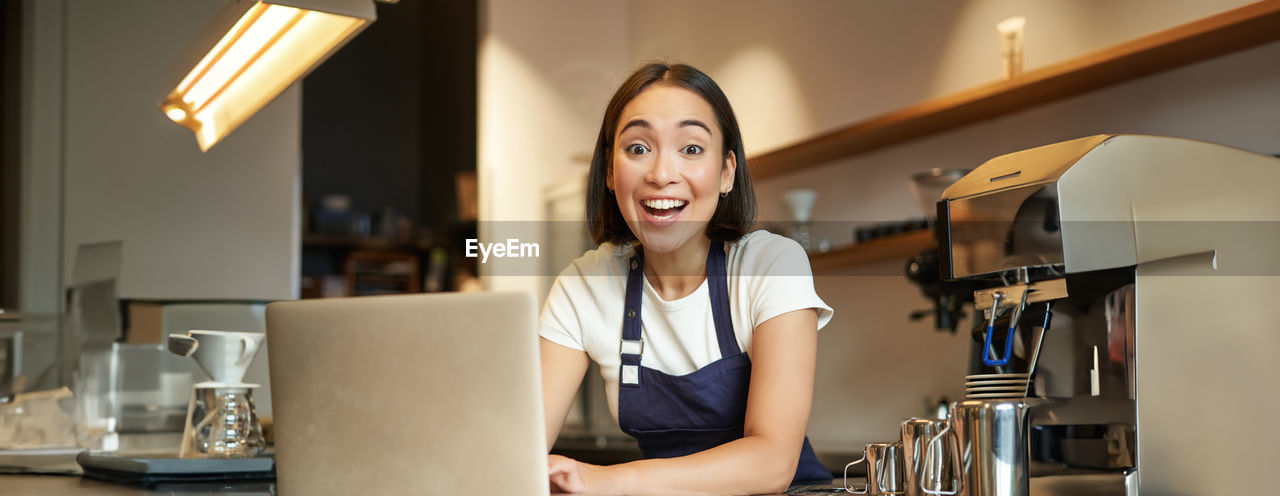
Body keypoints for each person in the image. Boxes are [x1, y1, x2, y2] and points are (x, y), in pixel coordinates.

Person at [538, 62, 834, 495]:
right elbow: (518, 447)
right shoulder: (583, 285)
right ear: (608, 171)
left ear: (727, 172)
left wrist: (605, 479)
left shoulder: (772, 263)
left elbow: (772, 464)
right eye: (638, 148)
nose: (661, 173)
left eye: (691, 149)